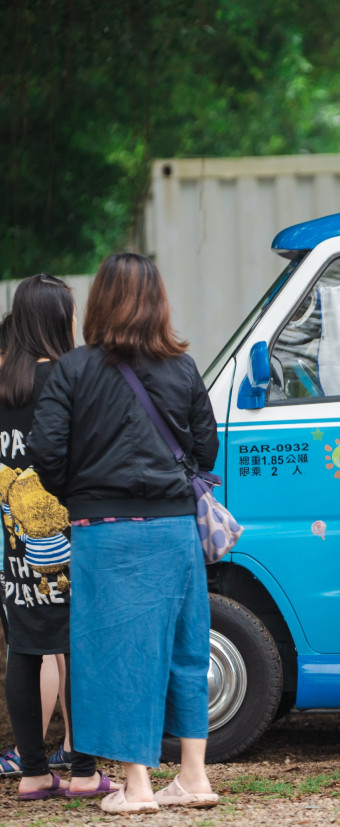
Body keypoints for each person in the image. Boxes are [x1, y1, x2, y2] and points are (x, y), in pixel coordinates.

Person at [30, 253, 221, 814]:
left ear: (100, 301)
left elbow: (45, 451)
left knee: (117, 654)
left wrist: (81, 492)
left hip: (105, 533)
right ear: (158, 301)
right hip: (176, 530)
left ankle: (137, 786)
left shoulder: (73, 369)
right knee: (186, 650)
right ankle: (194, 777)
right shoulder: (183, 368)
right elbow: (206, 448)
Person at [0, 275, 110, 800]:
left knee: (23, 652)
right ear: (57, 319)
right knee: (80, 648)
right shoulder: (68, 377)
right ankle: (85, 771)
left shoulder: (4, 384)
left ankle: (34, 773)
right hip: (71, 539)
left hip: (15, 548)